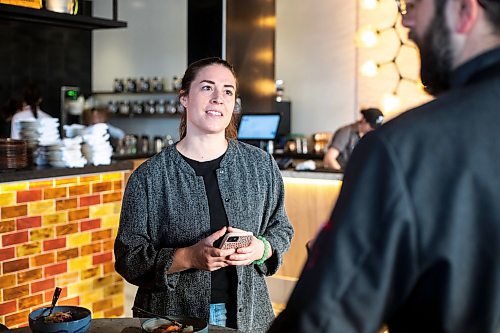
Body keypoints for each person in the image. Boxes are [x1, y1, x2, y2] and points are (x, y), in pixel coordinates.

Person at [269, 0, 500, 332]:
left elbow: (321, 322)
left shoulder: (403, 147)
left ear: (464, 11)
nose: (407, 22)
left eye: (414, 5)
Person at [114, 57, 294, 332]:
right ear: (184, 97)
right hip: (170, 320)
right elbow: (129, 259)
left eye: (228, 91)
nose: (218, 98)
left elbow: (281, 229)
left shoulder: (260, 165)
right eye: (207, 88)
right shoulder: (149, 176)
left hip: (249, 317)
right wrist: (187, 257)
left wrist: (262, 248)